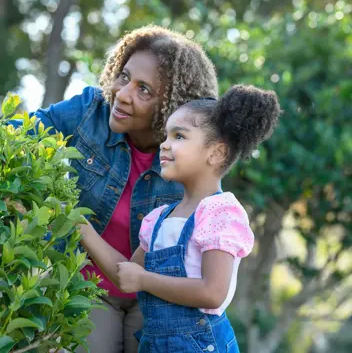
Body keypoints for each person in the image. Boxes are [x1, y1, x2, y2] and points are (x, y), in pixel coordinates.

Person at [7, 25, 219, 353]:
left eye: (144, 90)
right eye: (124, 76)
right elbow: (18, 132)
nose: (123, 93)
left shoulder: (192, 155)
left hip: (159, 296)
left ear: (173, 106)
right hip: (90, 287)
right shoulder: (90, 110)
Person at [79, 85, 282, 352]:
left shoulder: (219, 213)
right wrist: (80, 226)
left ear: (216, 153)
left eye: (179, 136)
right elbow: (126, 275)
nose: (164, 144)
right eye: (166, 135)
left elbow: (212, 292)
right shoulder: (159, 219)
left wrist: (144, 280)